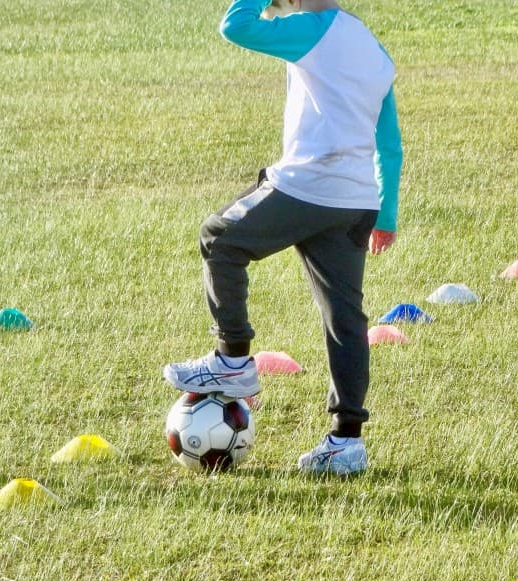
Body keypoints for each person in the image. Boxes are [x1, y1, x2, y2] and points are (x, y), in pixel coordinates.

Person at [163, 0, 403, 475]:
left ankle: (231, 360)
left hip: (306, 188)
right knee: (345, 319)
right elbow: (389, 143)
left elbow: (236, 25)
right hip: (356, 201)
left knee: (219, 240)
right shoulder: (372, 47)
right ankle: (346, 442)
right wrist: (387, 212)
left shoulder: (310, 29)